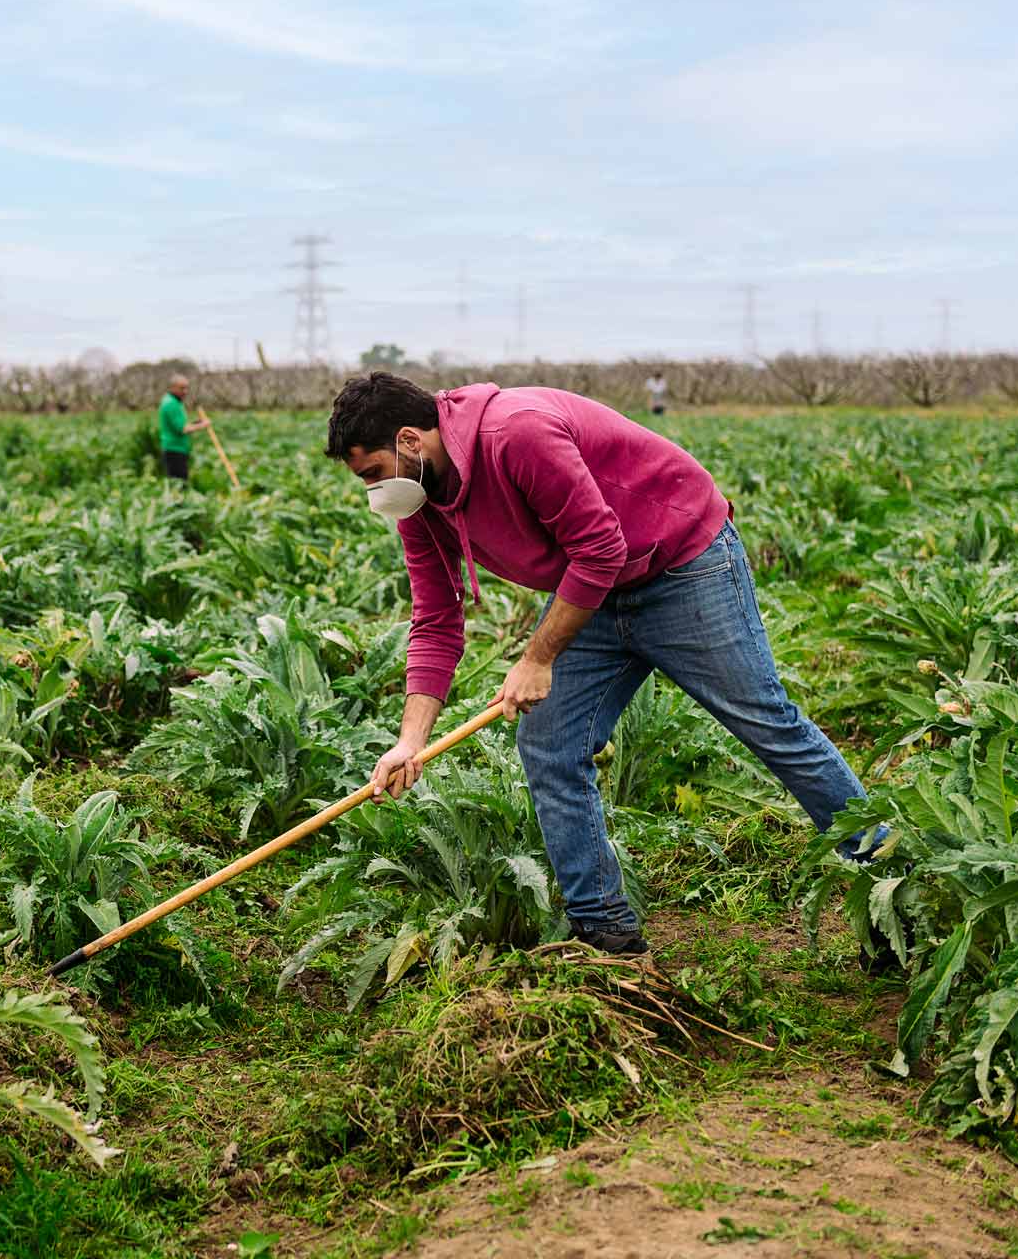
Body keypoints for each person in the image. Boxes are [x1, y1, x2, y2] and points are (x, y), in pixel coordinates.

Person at [326, 371, 882, 954]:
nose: (372, 491)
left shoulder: (516, 433)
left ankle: (892, 878)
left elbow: (601, 546)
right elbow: (437, 617)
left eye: (371, 474)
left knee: (769, 724)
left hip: (681, 563)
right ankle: (606, 933)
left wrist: (538, 657)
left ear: (411, 442)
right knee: (550, 745)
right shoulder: (420, 502)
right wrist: (410, 741)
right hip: (589, 587)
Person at [157, 375, 211, 480]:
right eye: (182, 388)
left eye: (186, 388)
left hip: (178, 449)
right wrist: (203, 425)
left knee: (181, 482)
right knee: (179, 484)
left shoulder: (175, 402)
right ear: (172, 387)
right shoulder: (171, 404)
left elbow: (180, 424)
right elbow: (183, 429)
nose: (185, 391)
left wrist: (197, 423)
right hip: (174, 450)